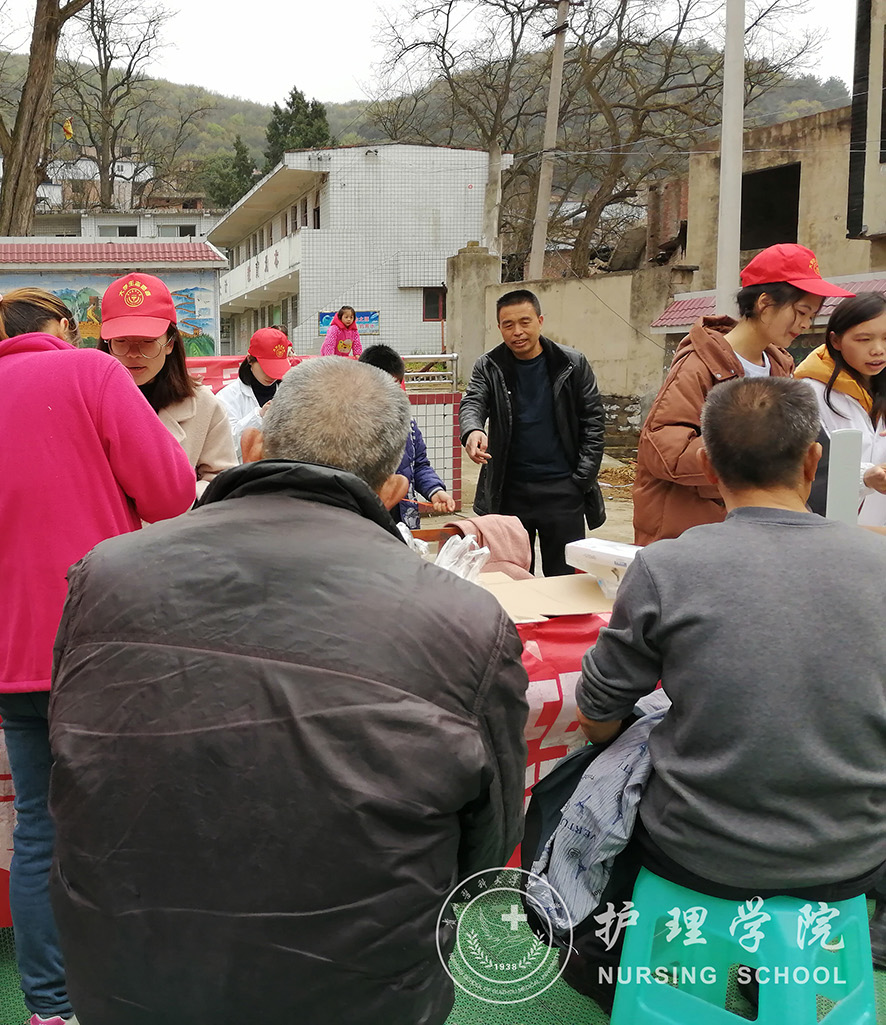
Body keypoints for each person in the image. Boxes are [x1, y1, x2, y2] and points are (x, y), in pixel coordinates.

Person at [46, 357, 530, 1025]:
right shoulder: (468, 621)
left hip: (126, 975)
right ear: (394, 488)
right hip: (358, 990)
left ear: (251, 447)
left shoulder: (105, 574)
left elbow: (72, 763)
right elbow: (487, 843)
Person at [566, 376, 886, 1011]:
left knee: (608, 781)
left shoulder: (665, 567)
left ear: (708, 468)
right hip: (853, 849)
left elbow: (597, 715)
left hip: (697, 847)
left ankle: (603, 960)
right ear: (812, 461)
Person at [0, 288, 197, 1025]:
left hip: (11, 654)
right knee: (131, 825)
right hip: (102, 647)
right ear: (59, 329)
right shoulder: (93, 373)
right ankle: (138, 992)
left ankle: (50, 1008)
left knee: (40, 832)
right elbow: (172, 493)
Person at [633, 243, 853, 544]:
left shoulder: (780, 367)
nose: (805, 324)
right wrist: (754, 451)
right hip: (693, 535)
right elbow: (665, 452)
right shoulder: (700, 364)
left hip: (756, 534)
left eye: (812, 315)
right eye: (801, 311)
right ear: (764, 303)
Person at [460, 288, 605, 575]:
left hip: (563, 489)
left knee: (565, 580)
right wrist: (472, 430)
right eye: (508, 325)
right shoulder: (489, 365)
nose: (517, 332)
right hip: (510, 491)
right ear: (499, 327)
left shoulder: (572, 364)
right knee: (512, 576)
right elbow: (473, 401)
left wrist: (581, 478)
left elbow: (594, 422)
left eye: (525, 322)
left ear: (540, 320)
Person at [97, 273, 236, 496]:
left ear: (170, 343)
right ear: (106, 344)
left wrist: (181, 500)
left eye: (147, 342)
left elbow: (222, 479)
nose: (133, 354)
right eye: (121, 342)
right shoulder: (88, 404)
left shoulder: (204, 406)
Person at [794, 292, 886, 526]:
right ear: (835, 341)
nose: (878, 349)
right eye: (864, 340)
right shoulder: (809, 394)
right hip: (831, 532)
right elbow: (804, 472)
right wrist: (864, 477)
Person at [359, 343, 456, 526]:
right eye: (384, 387)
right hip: (362, 523)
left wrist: (435, 490)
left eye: (396, 386)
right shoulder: (347, 426)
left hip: (404, 520)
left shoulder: (407, 424)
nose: (390, 395)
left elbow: (419, 465)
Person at [215, 326, 296, 454]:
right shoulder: (227, 397)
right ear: (250, 360)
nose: (271, 375)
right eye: (266, 368)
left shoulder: (290, 393)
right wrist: (259, 416)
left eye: (277, 368)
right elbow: (226, 445)